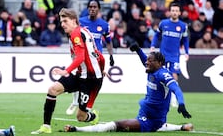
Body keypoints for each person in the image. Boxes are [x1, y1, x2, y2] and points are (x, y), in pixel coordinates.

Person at [63, 43, 193, 133]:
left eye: (150, 61)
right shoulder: (152, 69)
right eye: (147, 60)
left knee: (118, 125)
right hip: (146, 112)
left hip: (153, 118)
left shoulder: (163, 75)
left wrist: (181, 103)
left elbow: (176, 89)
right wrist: (138, 50)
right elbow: (145, 61)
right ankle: (182, 127)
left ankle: (77, 129)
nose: (146, 62)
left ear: (159, 63)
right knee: (153, 126)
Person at [31, 8, 104, 134]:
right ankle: (46, 126)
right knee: (52, 90)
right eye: (61, 21)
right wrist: (103, 69)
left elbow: (81, 57)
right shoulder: (82, 32)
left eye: (65, 21)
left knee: (81, 117)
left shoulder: (76, 34)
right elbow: (98, 55)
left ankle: (93, 116)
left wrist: (66, 71)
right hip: (80, 75)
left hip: (91, 80)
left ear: (74, 21)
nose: (62, 24)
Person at [66, 0, 114, 115]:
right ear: (88, 9)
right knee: (77, 76)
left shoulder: (104, 25)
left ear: (98, 9)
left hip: (95, 59)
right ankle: (75, 102)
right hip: (82, 55)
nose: (92, 9)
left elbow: (108, 41)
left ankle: (85, 106)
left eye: (94, 7)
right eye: (90, 7)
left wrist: (111, 55)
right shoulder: (81, 22)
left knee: (92, 81)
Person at [150, 3, 189, 107]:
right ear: (170, 12)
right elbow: (156, 35)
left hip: (174, 56)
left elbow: (185, 40)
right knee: (160, 77)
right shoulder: (163, 23)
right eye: (173, 10)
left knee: (174, 76)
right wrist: (153, 45)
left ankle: (173, 99)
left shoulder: (183, 26)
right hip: (162, 56)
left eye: (176, 11)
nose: (174, 12)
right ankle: (160, 97)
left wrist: (187, 52)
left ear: (179, 13)